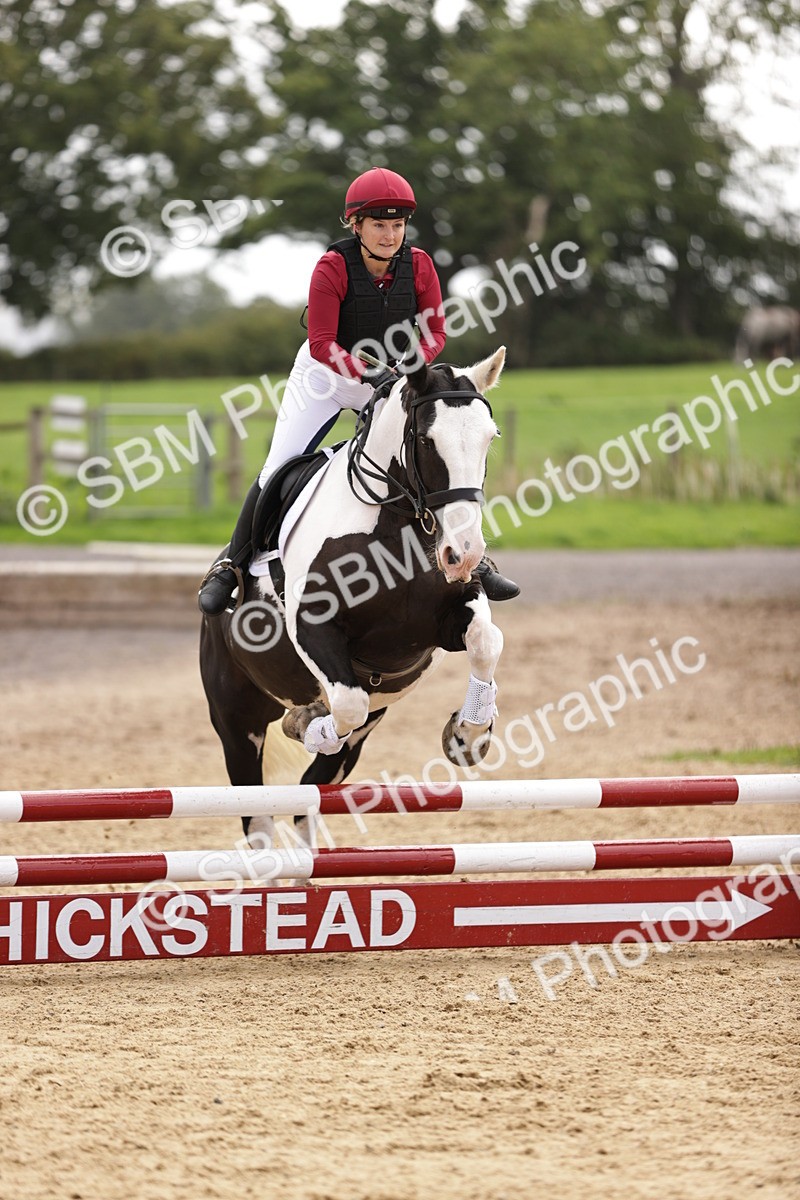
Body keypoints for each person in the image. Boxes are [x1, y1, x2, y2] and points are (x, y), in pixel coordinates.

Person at [198, 166, 519, 615]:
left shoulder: (420, 265)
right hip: (324, 378)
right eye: (379, 225)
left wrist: (415, 364)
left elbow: (436, 331)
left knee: (423, 456)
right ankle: (231, 566)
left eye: (397, 225)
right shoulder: (332, 266)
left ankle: (472, 557)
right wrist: (368, 373)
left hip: (388, 377)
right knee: (277, 466)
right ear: (356, 225)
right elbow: (322, 342)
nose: (390, 236)